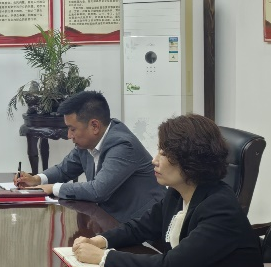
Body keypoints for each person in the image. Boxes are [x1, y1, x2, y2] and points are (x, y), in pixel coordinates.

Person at [72, 114, 271, 267]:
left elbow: (170, 266)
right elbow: (140, 227)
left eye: (164, 154)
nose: (154, 160)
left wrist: (103, 258)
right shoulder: (177, 193)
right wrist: (100, 240)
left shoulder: (220, 208)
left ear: (190, 160)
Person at [16, 90, 163, 222]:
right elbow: (63, 170)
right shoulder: (87, 143)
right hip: (112, 219)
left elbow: (98, 191)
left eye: (72, 129)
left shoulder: (122, 145)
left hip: (145, 226)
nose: (69, 135)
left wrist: (52, 188)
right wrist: (36, 179)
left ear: (94, 126)